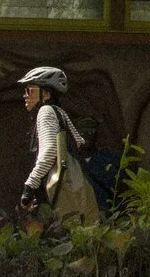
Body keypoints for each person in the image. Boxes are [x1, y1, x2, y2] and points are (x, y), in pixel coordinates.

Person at [17, 66, 100, 222]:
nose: (25, 95)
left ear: (46, 93)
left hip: (60, 187)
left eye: (30, 90)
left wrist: (30, 186)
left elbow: (49, 152)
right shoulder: (59, 111)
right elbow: (79, 142)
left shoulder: (45, 111)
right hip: (77, 184)